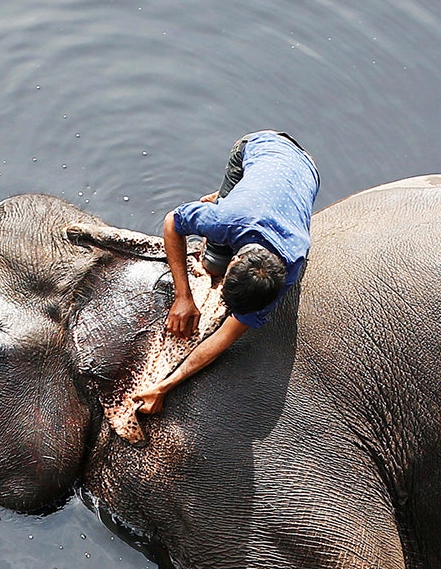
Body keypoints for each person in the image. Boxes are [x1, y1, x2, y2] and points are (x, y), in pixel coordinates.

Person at [129, 131, 318, 417]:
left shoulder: (292, 261)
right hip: (259, 147)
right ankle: (224, 196)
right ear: (237, 260)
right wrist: (183, 296)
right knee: (211, 268)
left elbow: (224, 339)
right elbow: (171, 222)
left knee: (214, 264)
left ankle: (230, 195)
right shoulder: (226, 221)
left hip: (306, 170)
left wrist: (165, 387)